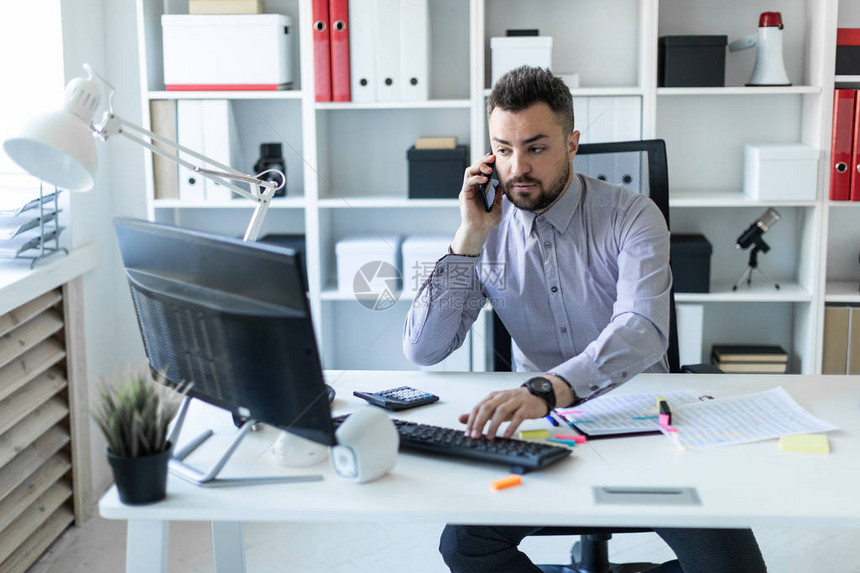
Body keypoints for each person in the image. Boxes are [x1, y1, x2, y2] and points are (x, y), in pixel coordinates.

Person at [402, 66, 767, 573]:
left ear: (572, 143)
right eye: (503, 150)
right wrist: (467, 239)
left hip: (641, 422)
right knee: (464, 546)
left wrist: (549, 387)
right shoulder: (487, 233)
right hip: (545, 426)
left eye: (535, 147)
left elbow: (641, 327)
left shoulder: (632, 215)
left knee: (734, 566)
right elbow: (423, 350)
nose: (517, 168)